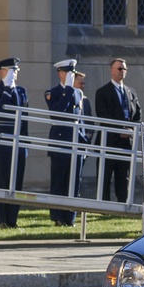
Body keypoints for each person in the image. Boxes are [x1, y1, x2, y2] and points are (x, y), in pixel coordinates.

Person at [45, 59, 92, 226]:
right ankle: (57, 217)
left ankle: (69, 217)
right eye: (68, 73)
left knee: (73, 182)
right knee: (59, 181)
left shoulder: (78, 93)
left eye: (73, 73)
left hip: (76, 142)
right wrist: (67, 91)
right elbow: (58, 113)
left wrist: (85, 142)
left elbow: (81, 119)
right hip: (60, 141)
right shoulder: (53, 92)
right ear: (60, 74)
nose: (71, 76)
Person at [0, 57, 29, 228]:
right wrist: (5, 89)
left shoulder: (21, 90)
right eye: (12, 71)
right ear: (3, 71)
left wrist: (24, 143)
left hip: (18, 142)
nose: (15, 74)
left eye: (16, 71)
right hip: (2, 141)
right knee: (2, 180)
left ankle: (12, 219)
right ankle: (0, 219)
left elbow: (23, 116)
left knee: (16, 183)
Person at [94, 58, 141, 202]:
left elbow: (137, 115)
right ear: (112, 70)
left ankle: (122, 206)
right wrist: (120, 130)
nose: (122, 72)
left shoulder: (131, 92)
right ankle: (104, 206)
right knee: (105, 176)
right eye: (120, 69)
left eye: (124, 69)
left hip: (126, 143)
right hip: (108, 141)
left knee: (123, 177)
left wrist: (131, 131)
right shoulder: (102, 92)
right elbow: (103, 115)